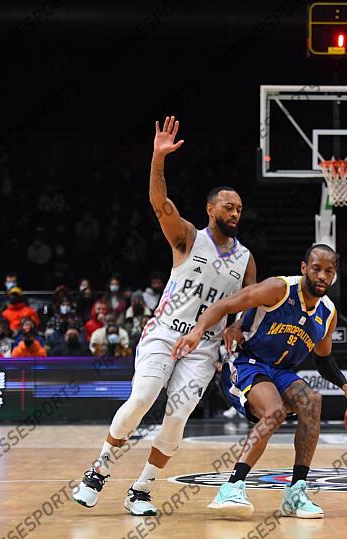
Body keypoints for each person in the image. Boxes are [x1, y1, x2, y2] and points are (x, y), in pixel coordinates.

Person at [73, 115, 257, 517]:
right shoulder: (189, 237)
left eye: (240, 209)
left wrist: (239, 328)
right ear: (211, 209)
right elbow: (159, 203)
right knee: (142, 398)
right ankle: (98, 470)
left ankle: (141, 489)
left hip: (204, 348)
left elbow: (247, 304)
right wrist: (158, 158)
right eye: (228, 206)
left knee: (177, 418)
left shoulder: (245, 259)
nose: (235, 213)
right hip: (165, 333)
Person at [171, 244, 347, 519]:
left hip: (280, 372)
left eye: (329, 271)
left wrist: (345, 385)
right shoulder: (278, 289)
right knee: (274, 412)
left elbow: (323, 359)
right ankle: (231, 486)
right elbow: (225, 304)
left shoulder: (328, 313)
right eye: (316, 269)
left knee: (312, 401)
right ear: (304, 269)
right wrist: (198, 331)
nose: (322, 276)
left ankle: (296, 493)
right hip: (246, 362)